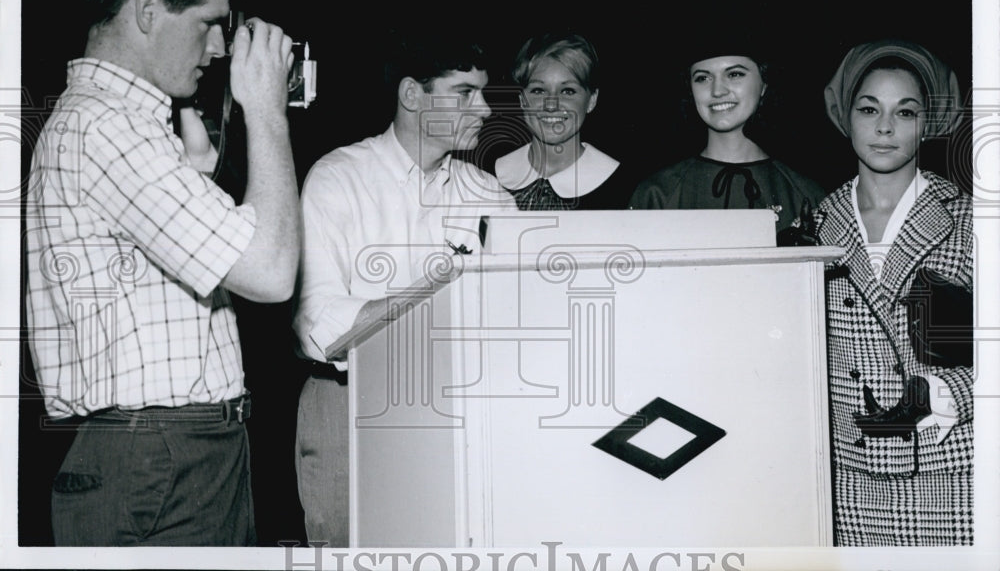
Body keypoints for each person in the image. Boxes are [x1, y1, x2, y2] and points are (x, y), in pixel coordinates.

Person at [24, 0, 301, 546]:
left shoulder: (122, 125)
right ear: (149, 12)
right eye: (208, 23)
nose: (219, 48)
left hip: (167, 451)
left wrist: (198, 171)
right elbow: (271, 272)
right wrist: (267, 112)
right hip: (161, 455)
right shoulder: (108, 126)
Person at [292, 33, 515, 545]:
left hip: (458, 406)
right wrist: (439, 289)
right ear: (412, 94)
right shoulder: (338, 178)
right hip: (347, 405)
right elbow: (318, 326)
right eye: (465, 93)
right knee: (347, 556)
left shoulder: (489, 195)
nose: (484, 109)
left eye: (483, 93)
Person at [813, 39, 972, 545]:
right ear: (845, 117)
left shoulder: (972, 221)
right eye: (869, 109)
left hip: (954, 477)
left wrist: (949, 392)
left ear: (928, 123)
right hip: (848, 487)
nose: (884, 127)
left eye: (905, 112)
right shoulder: (811, 227)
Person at [629, 41, 825, 242]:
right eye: (703, 78)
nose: (717, 91)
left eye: (734, 74)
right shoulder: (656, 193)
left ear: (764, 84)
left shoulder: (805, 194)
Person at [494, 32, 636, 209]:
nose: (551, 105)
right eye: (539, 90)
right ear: (522, 100)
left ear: (591, 100)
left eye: (568, 91)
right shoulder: (488, 179)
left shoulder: (626, 190)